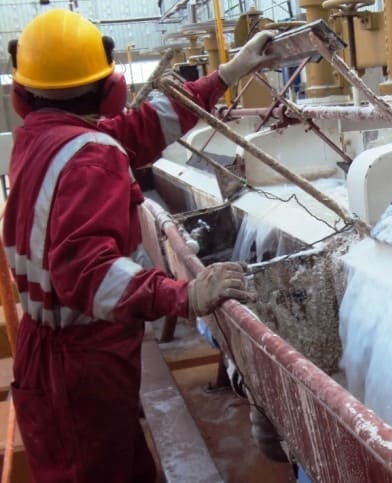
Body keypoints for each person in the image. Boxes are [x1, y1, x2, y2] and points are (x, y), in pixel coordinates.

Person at [3, 9, 275, 482]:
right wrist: (182, 295)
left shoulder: (42, 139)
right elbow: (89, 275)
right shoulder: (91, 155)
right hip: (82, 365)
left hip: (50, 354)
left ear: (25, 94)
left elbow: (143, 128)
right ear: (110, 87)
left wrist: (227, 75)